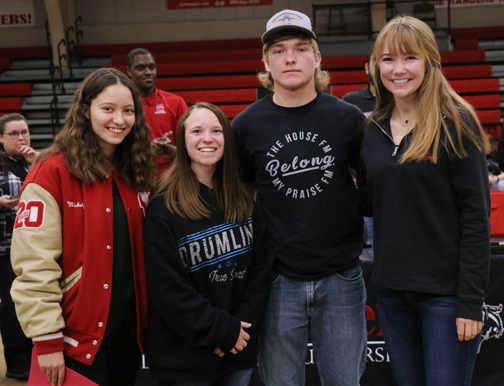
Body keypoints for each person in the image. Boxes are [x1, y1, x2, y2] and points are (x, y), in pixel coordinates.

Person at [232, 9, 367, 386]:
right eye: (279, 50)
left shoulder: (349, 118)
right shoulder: (245, 125)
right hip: (276, 280)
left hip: (341, 276)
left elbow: (372, 185)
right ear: (266, 62)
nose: (290, 57)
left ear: (317, 58)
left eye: (301, 48)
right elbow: (242, 197)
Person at [357, 16, 490, 386]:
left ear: (430, 62)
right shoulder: (373, 129)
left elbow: (477, 219)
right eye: (387, 59)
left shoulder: (456, 123)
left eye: (409, 58)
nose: (398, 69)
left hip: (446, 297)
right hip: (393, 293)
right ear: (374, 66)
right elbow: (369, 202)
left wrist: (470, 302)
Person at [10, 68, 156, 386]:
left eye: (128, 111)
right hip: (74, 342)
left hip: (130, 338)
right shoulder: (51, 172)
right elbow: (34, 265)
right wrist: (46, 339)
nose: (120, 119)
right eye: (108, 109)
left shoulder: (137, 171)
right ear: (86, 110)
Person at [143, 102, 273, 386]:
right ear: (182, 140)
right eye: (197, 131)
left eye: (216, 130)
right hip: (183, 361)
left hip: (238, 351)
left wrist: (239, 330)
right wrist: (222, 331)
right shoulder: (163, 207)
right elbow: (168, 290)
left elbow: (261, 272)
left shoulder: (244, 202)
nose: (207, 138)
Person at [0, 114, 36, 380]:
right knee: (12, 304)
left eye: (24, 132)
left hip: (35, 247)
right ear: (1, 138)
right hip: (5, 247)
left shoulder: (39, 162)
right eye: (14, 134)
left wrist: (37, 164)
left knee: (35, 300)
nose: (21, 138)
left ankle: (35, 353)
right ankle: (16, 361)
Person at [126, 48, 188, 172]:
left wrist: (167, 149)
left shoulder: (176, 102)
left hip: (169, 179)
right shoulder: (121, 104)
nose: (148, 72)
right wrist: (148, 149)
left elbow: (188, 151)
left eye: (151, 67)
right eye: (140, 68)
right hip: (132, 176)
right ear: (128, 71)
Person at [343, 50, 376, 247]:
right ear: (366, 68)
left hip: (392, 184)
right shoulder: (351, 101)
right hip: (363, 184)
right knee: (368, 247)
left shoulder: (401, 99)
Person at [342, 50, 376, 117]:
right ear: (367, 68)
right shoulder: (350, 100)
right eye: (375, 62)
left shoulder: (399, 99)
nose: (379, 68)